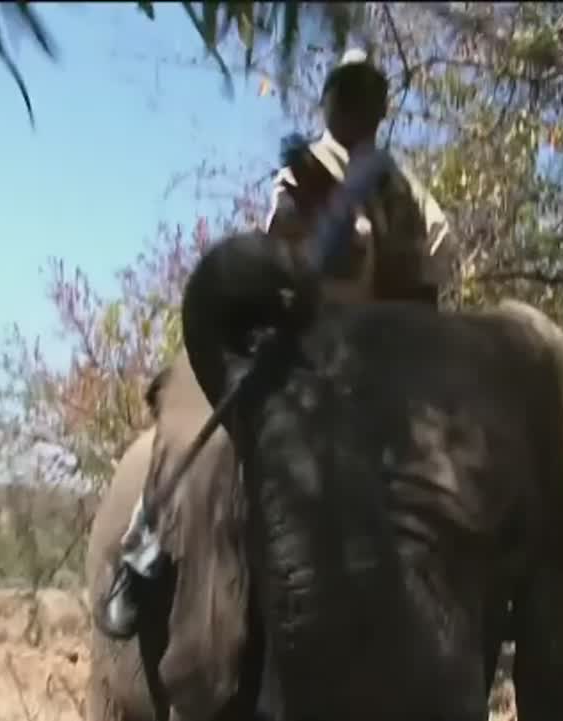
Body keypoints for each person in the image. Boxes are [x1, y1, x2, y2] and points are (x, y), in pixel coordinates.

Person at [97, 48, 456, 641]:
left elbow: (434, 281)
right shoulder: (304, 172)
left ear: (382, 106)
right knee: (197, 422)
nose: (358, 104)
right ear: (330, 101)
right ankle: (143, 546)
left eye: (369, 92)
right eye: (347, 90)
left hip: (386, 364)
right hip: (301, 347)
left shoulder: (409, 193)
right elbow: (277, 260)